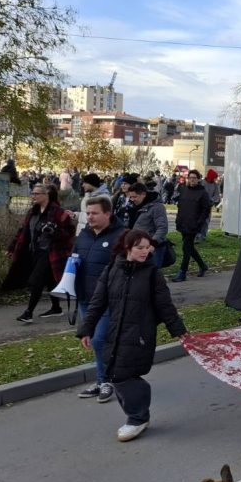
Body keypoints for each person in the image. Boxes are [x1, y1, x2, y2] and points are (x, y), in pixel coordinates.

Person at [77, 229, 187, 442]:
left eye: (147, 248)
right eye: (140, 248)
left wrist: (179, 331)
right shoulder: (112, 270)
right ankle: (137, 413)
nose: (145, 252)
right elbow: (98, 302)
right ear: (128, 248)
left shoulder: (152, 274)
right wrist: (86, 329)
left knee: (122, 375)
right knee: (115, 373)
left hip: (140, 334)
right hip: (116, 331)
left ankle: (137, 418)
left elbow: (165, 306)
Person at [73, 195, 125, 403]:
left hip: (107, 300)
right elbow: (74, 257)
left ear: (107, 214)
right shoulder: (83, 235)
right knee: (93, 341)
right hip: (85, 298)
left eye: (95, 213)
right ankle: (102, 380)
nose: (90, 217)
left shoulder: (121, 236)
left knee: (99, 339)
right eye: (88, 213)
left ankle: (108, 381)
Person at [6, 184, 76, 323]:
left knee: (36, 281)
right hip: (35, 251)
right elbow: (23, 231)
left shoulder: (59, 213)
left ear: (46, 195)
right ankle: (56, 308)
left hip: (51, 252)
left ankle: (28, 313)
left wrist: (54, 232)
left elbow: (69, 233)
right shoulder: (33, 212)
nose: (34, 196)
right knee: (50, 281)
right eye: (33, 193)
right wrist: (12, 247)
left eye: (37, 193)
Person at [172, 169, 212, 282]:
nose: (192, 180)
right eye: (190, 178)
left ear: (198, 179)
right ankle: (203, 266)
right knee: (189, 247)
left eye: (194, 178)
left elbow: (206, 210)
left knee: (186, 248)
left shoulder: (202, 193)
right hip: (183, 223)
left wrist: (199, 223)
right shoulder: (184, 190)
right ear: (187, 179)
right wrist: (178, 220)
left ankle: (182, 272)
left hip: (193, 225)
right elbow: (180, 206)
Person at [126, 182, 169, 268]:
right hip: (138, 245)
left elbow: (162, 227)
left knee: (151, 275)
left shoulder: (157, 207)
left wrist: (153, 244)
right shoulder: (135, 206)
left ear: (143, 194)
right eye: (131, 197)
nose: (132, 199)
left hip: (153, 248)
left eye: (135, 197)